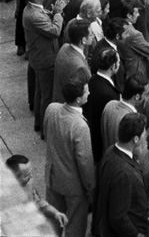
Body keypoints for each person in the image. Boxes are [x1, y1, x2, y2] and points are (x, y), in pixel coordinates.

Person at [43, 76, 95, 237]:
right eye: (86, 92)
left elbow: (47, 134)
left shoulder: (51, 109)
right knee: (74, 227)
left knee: (53, 223)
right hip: (74, 187)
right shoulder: (80, 125)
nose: (89, 93)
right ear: (79, 99)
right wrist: (90, 188)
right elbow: (85, 162)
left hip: (52, 178)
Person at [24, 0, 68, 133]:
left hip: (39, 57)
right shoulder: (34, 15)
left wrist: (55, 10)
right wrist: (57, 13)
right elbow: (55, 31)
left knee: (40, 91)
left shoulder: (33, 9)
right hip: (45, 59)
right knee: (47, 95)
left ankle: (39, 122)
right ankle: (45, 128)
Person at [6, 155, 69, 229]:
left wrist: (56, 213)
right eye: (27, 175)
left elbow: (40, 204)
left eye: (30, 173)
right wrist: (28, 191)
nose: (31, 177)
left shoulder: (26, 184)